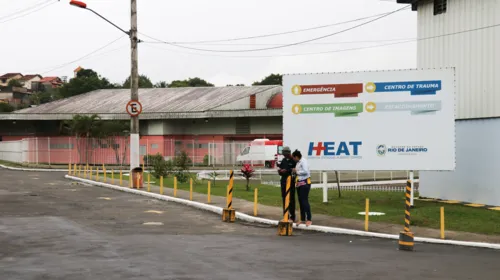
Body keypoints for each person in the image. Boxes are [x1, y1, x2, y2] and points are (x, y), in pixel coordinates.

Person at [292, 149, 312, 226]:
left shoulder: (304, 161)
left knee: (304, 201)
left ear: (296, 157)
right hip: (299, 183)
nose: (293, 160)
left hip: (305, 183)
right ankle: (303, 219)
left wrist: (296, 171)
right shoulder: (298, 163)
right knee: (300, 201)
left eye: (294, 158)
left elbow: (306, 171)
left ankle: (309, 219)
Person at [278, 146, 296, 223]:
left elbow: (295, 171)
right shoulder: (283, 160)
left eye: (285, 153)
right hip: (283, 182)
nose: (284, 155)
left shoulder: (293, 161)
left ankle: (292, 217)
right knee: (284, 199)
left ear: (288, 153)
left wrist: (288, 170)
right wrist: (280, 171)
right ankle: (286, 215)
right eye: (283, 154)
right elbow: (281, 170)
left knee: (291, 199)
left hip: (291, 182)